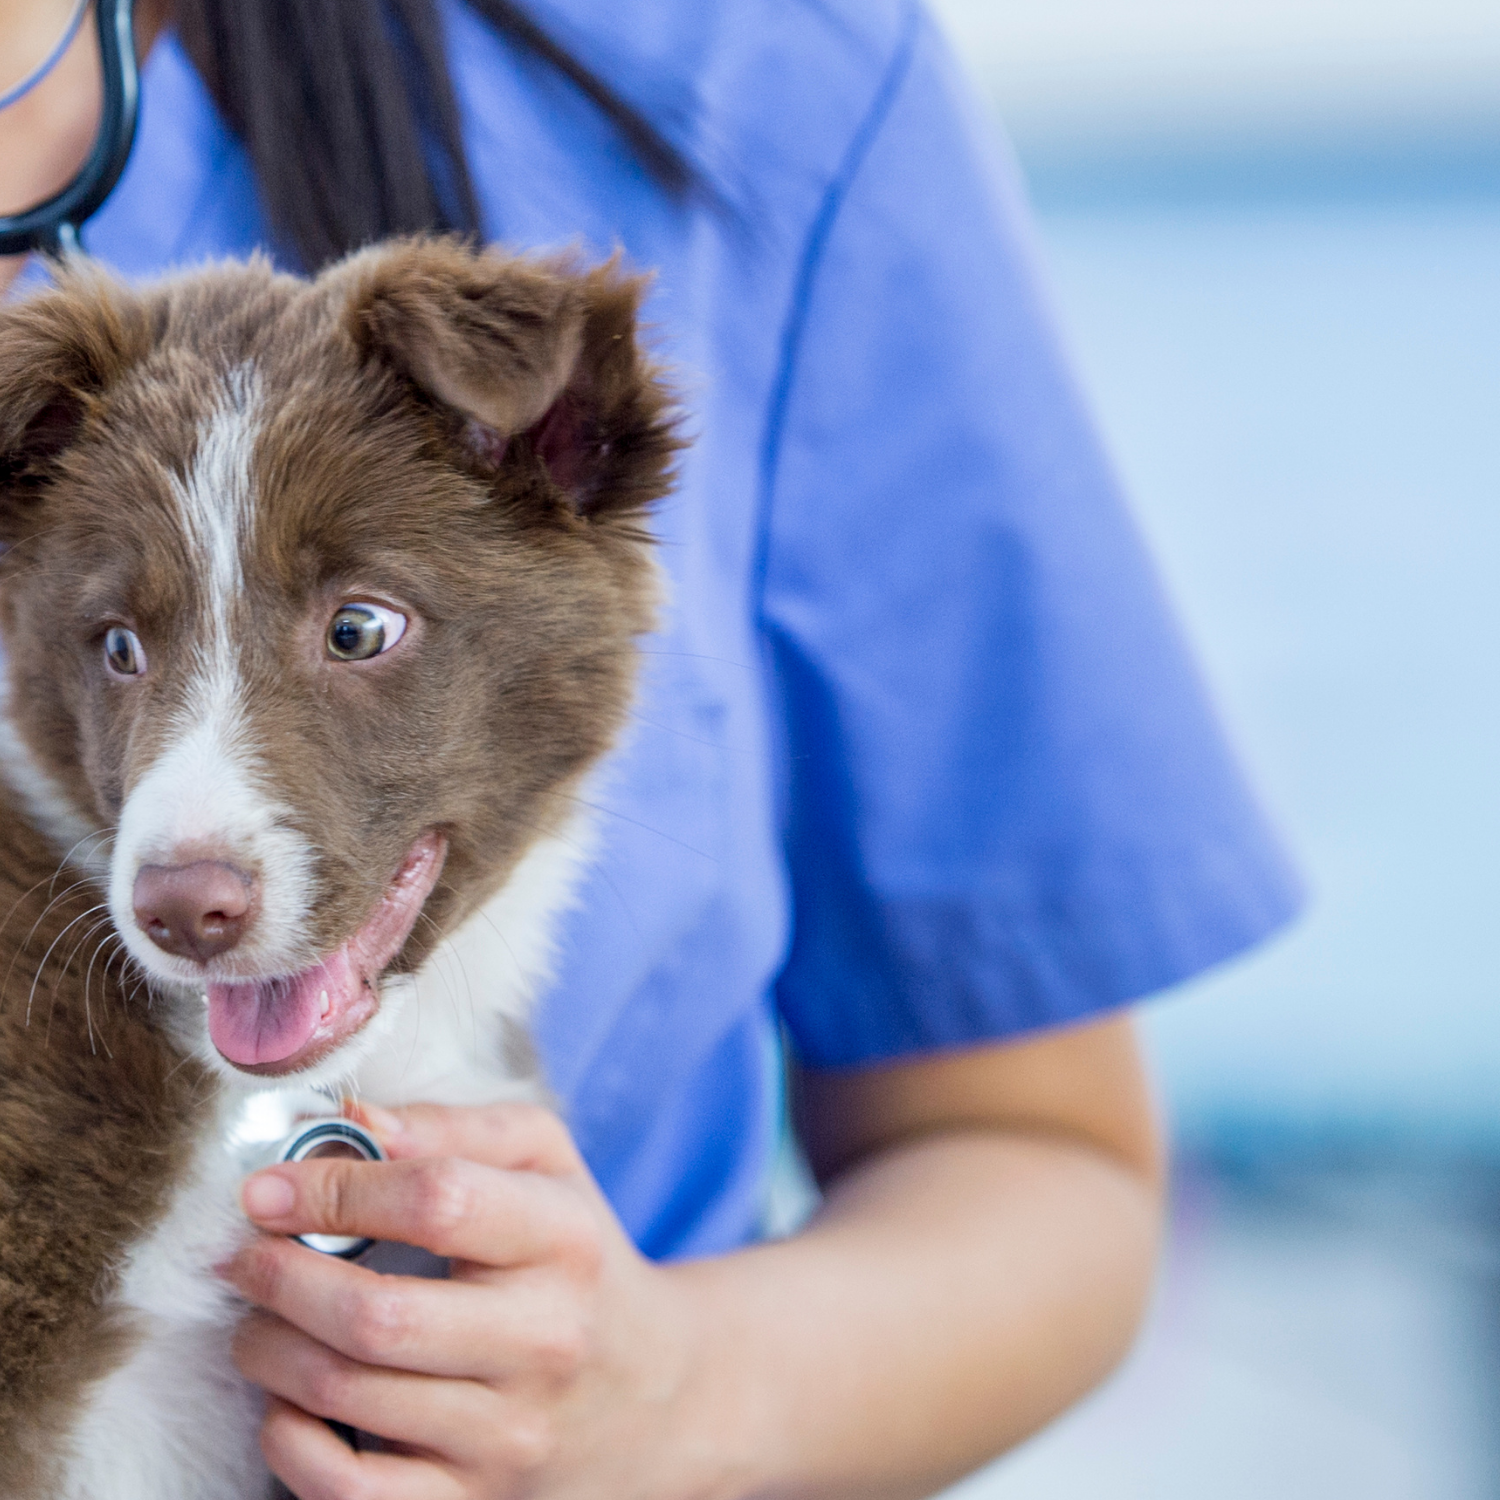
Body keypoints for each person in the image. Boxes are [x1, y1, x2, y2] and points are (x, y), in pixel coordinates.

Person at [0, 2, 1301, 1496]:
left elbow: (1045, 1160)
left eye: (357, 633)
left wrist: (674, 1395)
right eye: (122, 652)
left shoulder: (741, 69)